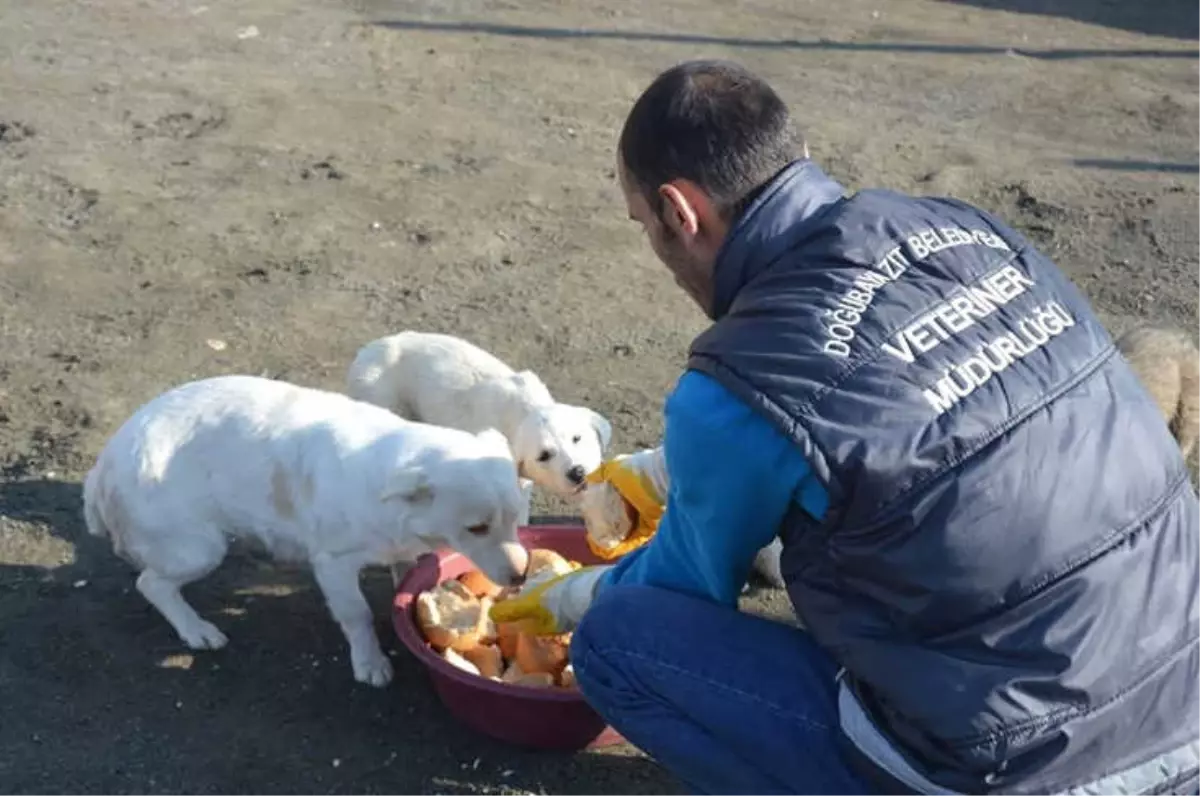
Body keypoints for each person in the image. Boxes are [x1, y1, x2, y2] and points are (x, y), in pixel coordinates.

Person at [489, 59, 1200, 796]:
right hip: (1187, 695)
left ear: (680, 212)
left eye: (645, 226)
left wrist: (572, 599)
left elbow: (683, 588)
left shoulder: (744, 374)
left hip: (1026, 770)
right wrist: (667, 471)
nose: (657, 251)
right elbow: (914, 409)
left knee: (618, 641)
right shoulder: (967, 230)